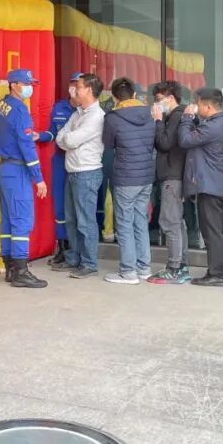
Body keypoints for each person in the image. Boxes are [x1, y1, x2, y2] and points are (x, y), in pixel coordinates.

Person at [0, 68, 49, 288]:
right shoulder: (19, 110)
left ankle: (10, 267)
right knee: (22, 221)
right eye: (26, 84)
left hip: (4, 169)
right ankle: (21, 271)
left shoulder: (3, 105)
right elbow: (27, 146)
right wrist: (38, 178)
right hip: (17, 170)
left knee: (9, 220)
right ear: (14, 85)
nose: (30, 88)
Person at [179, 88, 223, 287]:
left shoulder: (212, 127)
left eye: (197, 104)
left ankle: (216, 274)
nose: (196, 108)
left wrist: (187, 118)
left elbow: (185, 140)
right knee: (222, 229)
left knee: (212, 232)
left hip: (210, 186)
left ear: (208, 106)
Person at [102, 77, 156, 285]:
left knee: (124, 223)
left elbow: (108, 144)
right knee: (140, 220)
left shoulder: (113, 117)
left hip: (125, 176)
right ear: (134, 94)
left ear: (115, 97)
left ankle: (128, 271)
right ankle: (144, 268)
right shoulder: (148, 114)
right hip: (146, 176)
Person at [54, 74, 106, 278]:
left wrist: (67, 140)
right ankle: (73, 258)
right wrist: (67, 140)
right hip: (73, 172)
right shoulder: (77, 113)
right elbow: (61, 137)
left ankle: (89, 263)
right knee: (71, 220)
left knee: (85, 221)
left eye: (79, 86)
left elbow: (71, 140)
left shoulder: (96, 117)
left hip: (87, 173)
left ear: (89, 90)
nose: (75, 90)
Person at [39, 73, 81, 266]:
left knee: (79, 207)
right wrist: (39, 136)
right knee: (60, 206)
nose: (75, 88)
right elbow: (52, 132)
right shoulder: (59, 107)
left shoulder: (87, 111)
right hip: (59, 161)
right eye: (73, 83)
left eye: (79, 84)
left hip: (79, 163)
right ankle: (63, 249)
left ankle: (79, 250)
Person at [149, 81, 189, 284]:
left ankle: (174, 267)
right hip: (174, 175)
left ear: (171, 98)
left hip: (172, 176)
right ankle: (181, 265)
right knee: (176, 222)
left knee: (170, 222)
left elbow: (164, 143)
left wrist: (157, 121)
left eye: (159, 99)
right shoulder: (177, 116)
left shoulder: (176, 116)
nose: (156, 104)